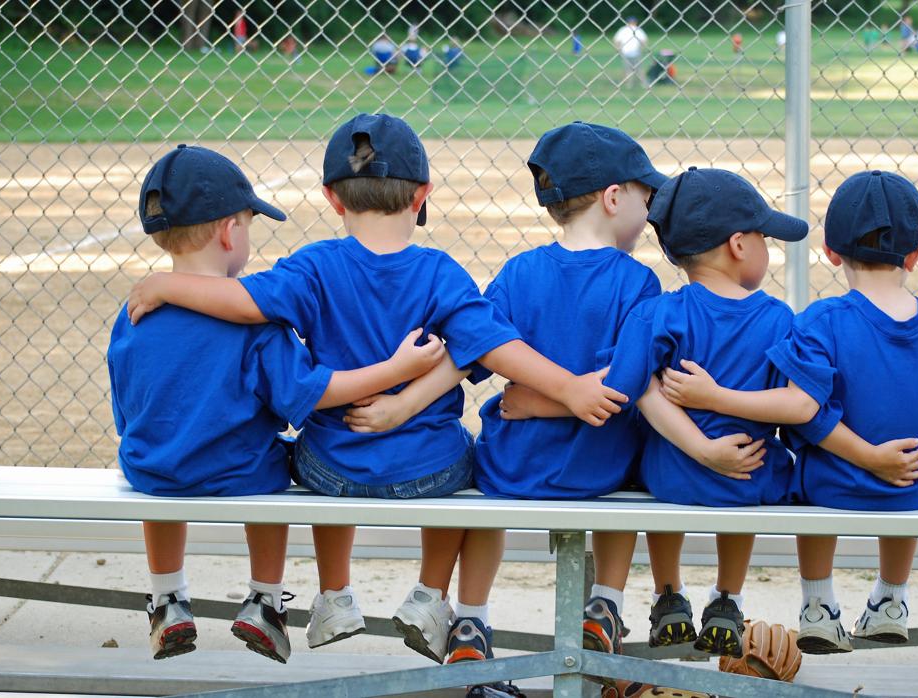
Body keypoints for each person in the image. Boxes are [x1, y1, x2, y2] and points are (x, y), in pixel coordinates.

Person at [126, 113, 629, 662]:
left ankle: (335, 595)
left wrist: (167, 282)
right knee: (466, 451)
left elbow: (244, 303)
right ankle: (429, 595)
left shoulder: (313, 266)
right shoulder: (440, 272)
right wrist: (570, 388)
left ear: (332, 198)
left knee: (315, 441)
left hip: (329, 472)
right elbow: (491, 345)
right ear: (422, 195)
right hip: (427, 473)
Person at [110, 145, 447, 664]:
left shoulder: (133, 313)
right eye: (248, 225)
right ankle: (264, 599)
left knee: (158, 457)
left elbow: (128, 414)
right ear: (229, 233)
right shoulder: (256, 325)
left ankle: (168, 598)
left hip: (152, 471)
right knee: (276, 459)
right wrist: (397, 372)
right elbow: (312, 393)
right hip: (238, 474)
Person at [598, 168, 918, 659]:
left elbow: (632, 386)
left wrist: (700, 447)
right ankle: (727, 598)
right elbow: (797, 407)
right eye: (764, 238)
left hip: (671, 475)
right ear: (738, 245)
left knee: (653, 475)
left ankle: (669, 594)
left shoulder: (659, 312)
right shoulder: (777, 318)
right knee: (752, 477)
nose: (768, 249)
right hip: (748, 478)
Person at [684, 171, 918, 653]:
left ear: (830, 252)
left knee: (806, 478)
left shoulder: (821, 322)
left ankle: (818, 607)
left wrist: (867, 457)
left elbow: (805, 414)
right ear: (916, 255)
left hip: (834, 489)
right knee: (913, 464)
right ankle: (892, 600)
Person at [424, 122, 672, 671]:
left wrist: (538, 402)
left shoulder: (518, 272)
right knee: (638, 460)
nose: (649, 213)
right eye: (644, 197)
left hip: (514, 468)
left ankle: (471, 616)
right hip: (601, 468)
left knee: (485, 491)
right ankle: (606, 603)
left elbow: (477, 354)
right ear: (613, 198)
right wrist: (575, 400)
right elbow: (626, 382)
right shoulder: (638, 282)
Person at [613, 16, 648, 89]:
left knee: (636, 69)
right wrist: (618, 49)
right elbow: (644, 41)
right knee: (630, 69)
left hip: (633, 52)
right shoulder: (624, 30)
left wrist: (618, 48)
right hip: (627, 52)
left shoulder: (637, 30)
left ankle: (639, 83)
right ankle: (630, 84)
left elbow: (616, 41)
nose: (632, 24)